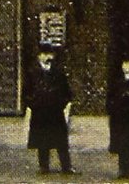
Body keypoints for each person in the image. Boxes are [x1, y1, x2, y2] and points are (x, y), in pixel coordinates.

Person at [25, 45, 76, 174]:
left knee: (61, 141)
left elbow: (67, 91)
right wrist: (33, 104)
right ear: (39, 56)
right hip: (40, 111)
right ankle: (44, 166)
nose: (48, 57)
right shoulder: (32, 73)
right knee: (42, 140)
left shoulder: (58, 72)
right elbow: (26, 92)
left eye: (50, 54)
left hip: (55, 111)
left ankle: (66, 166)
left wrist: (61, 103)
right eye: (45, 54)